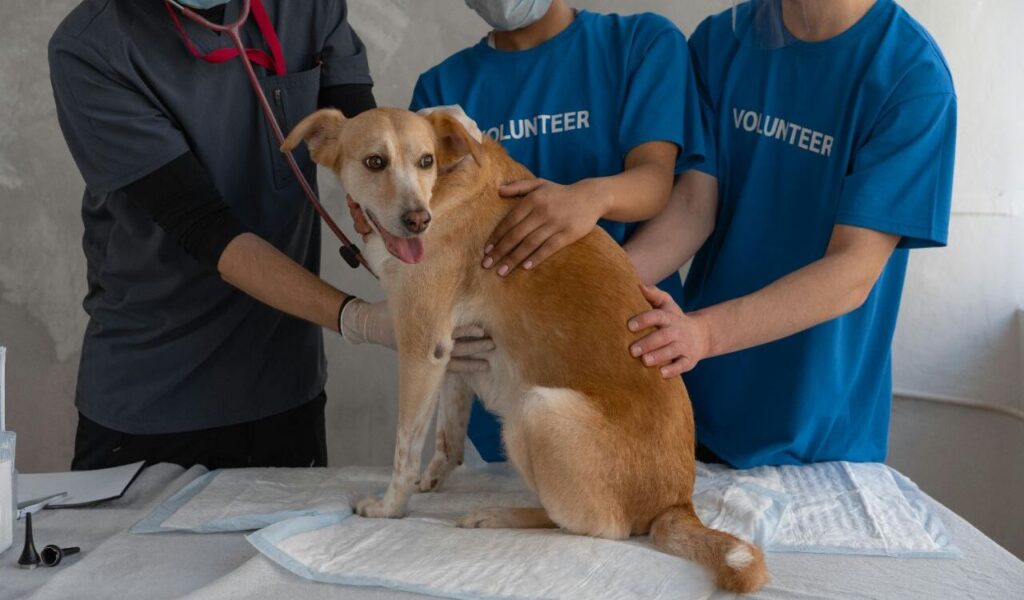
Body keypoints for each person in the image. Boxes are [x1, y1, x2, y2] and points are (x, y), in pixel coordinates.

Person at [49, 0, 487, 470]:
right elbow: (202, 225)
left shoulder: (306, 8)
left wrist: (403, 171)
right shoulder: (92, 47)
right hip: (154, 394)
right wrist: (358, 319)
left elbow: (359, 131)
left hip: (283, 387)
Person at [348, 0, 707, 462]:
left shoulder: (639, 44)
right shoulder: (443, 88)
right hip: (501, 391)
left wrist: (592, 197)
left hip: (619, 357)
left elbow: (657, 183)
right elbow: (424, 232)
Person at [624, 0, 956, 468]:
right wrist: (588, 291)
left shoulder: (912, 77)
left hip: (819, 437)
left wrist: (703, 335)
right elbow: (694, 208)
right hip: (698, 408)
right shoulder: (723, 41)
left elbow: (852, 270)